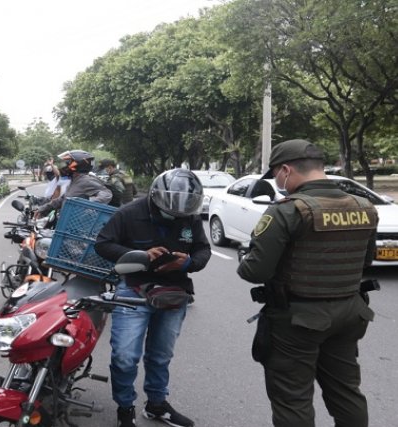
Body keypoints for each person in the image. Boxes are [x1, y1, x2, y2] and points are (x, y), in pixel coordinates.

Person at [237, 139, 378, 427]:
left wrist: (246, 255)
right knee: (347, 393)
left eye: (276, 174)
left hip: (298, 320)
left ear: (286, 170)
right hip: (351, 313)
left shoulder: (286, 211)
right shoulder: (363, 206)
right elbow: (366, 260)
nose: (277, 181)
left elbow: (254, 272)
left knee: (293, 399)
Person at [95, 168, 210, 427]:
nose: (179, 214)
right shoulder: (129, 213)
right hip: (134, 290)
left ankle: (157, 404)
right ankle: (125, 408)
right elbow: (103, 244)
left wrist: (187, 263)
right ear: (157, 196)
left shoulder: (190, 218)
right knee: (124, 357)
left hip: (173, 293)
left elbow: (203, 249)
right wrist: (141, 255)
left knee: (160, 355)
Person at [34, 150, 112, 218]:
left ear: (78, 164)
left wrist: (86, 204)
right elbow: (62, 199)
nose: (65, 166)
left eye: (68, 163)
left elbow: (107, 194)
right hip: (64, 221)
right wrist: (43, 209)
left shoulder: (86, 180)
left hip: (76, 226)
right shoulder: (75, 180)